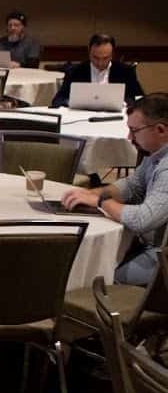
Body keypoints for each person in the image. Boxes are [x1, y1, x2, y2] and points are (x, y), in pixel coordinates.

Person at [61, 93, 168, 286]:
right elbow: (132, 186)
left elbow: (142, 219)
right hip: (150, 244)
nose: (129, 137)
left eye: (134, 131)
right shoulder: (156, 155)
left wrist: (100, 201)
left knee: (97, 277)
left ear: (160, 130)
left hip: (162, 256)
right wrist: (92, 193)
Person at [51, 33, 145, 108]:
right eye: (95, 58)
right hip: (82, 118)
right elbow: (58, 100)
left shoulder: (125, 71)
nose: (100, 63)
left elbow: (140, 99)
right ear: (89, 52)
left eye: (105, 58)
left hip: (116, 119)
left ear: (112, 54)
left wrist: (125, 103)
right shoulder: (75, 71)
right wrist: (73, 102)